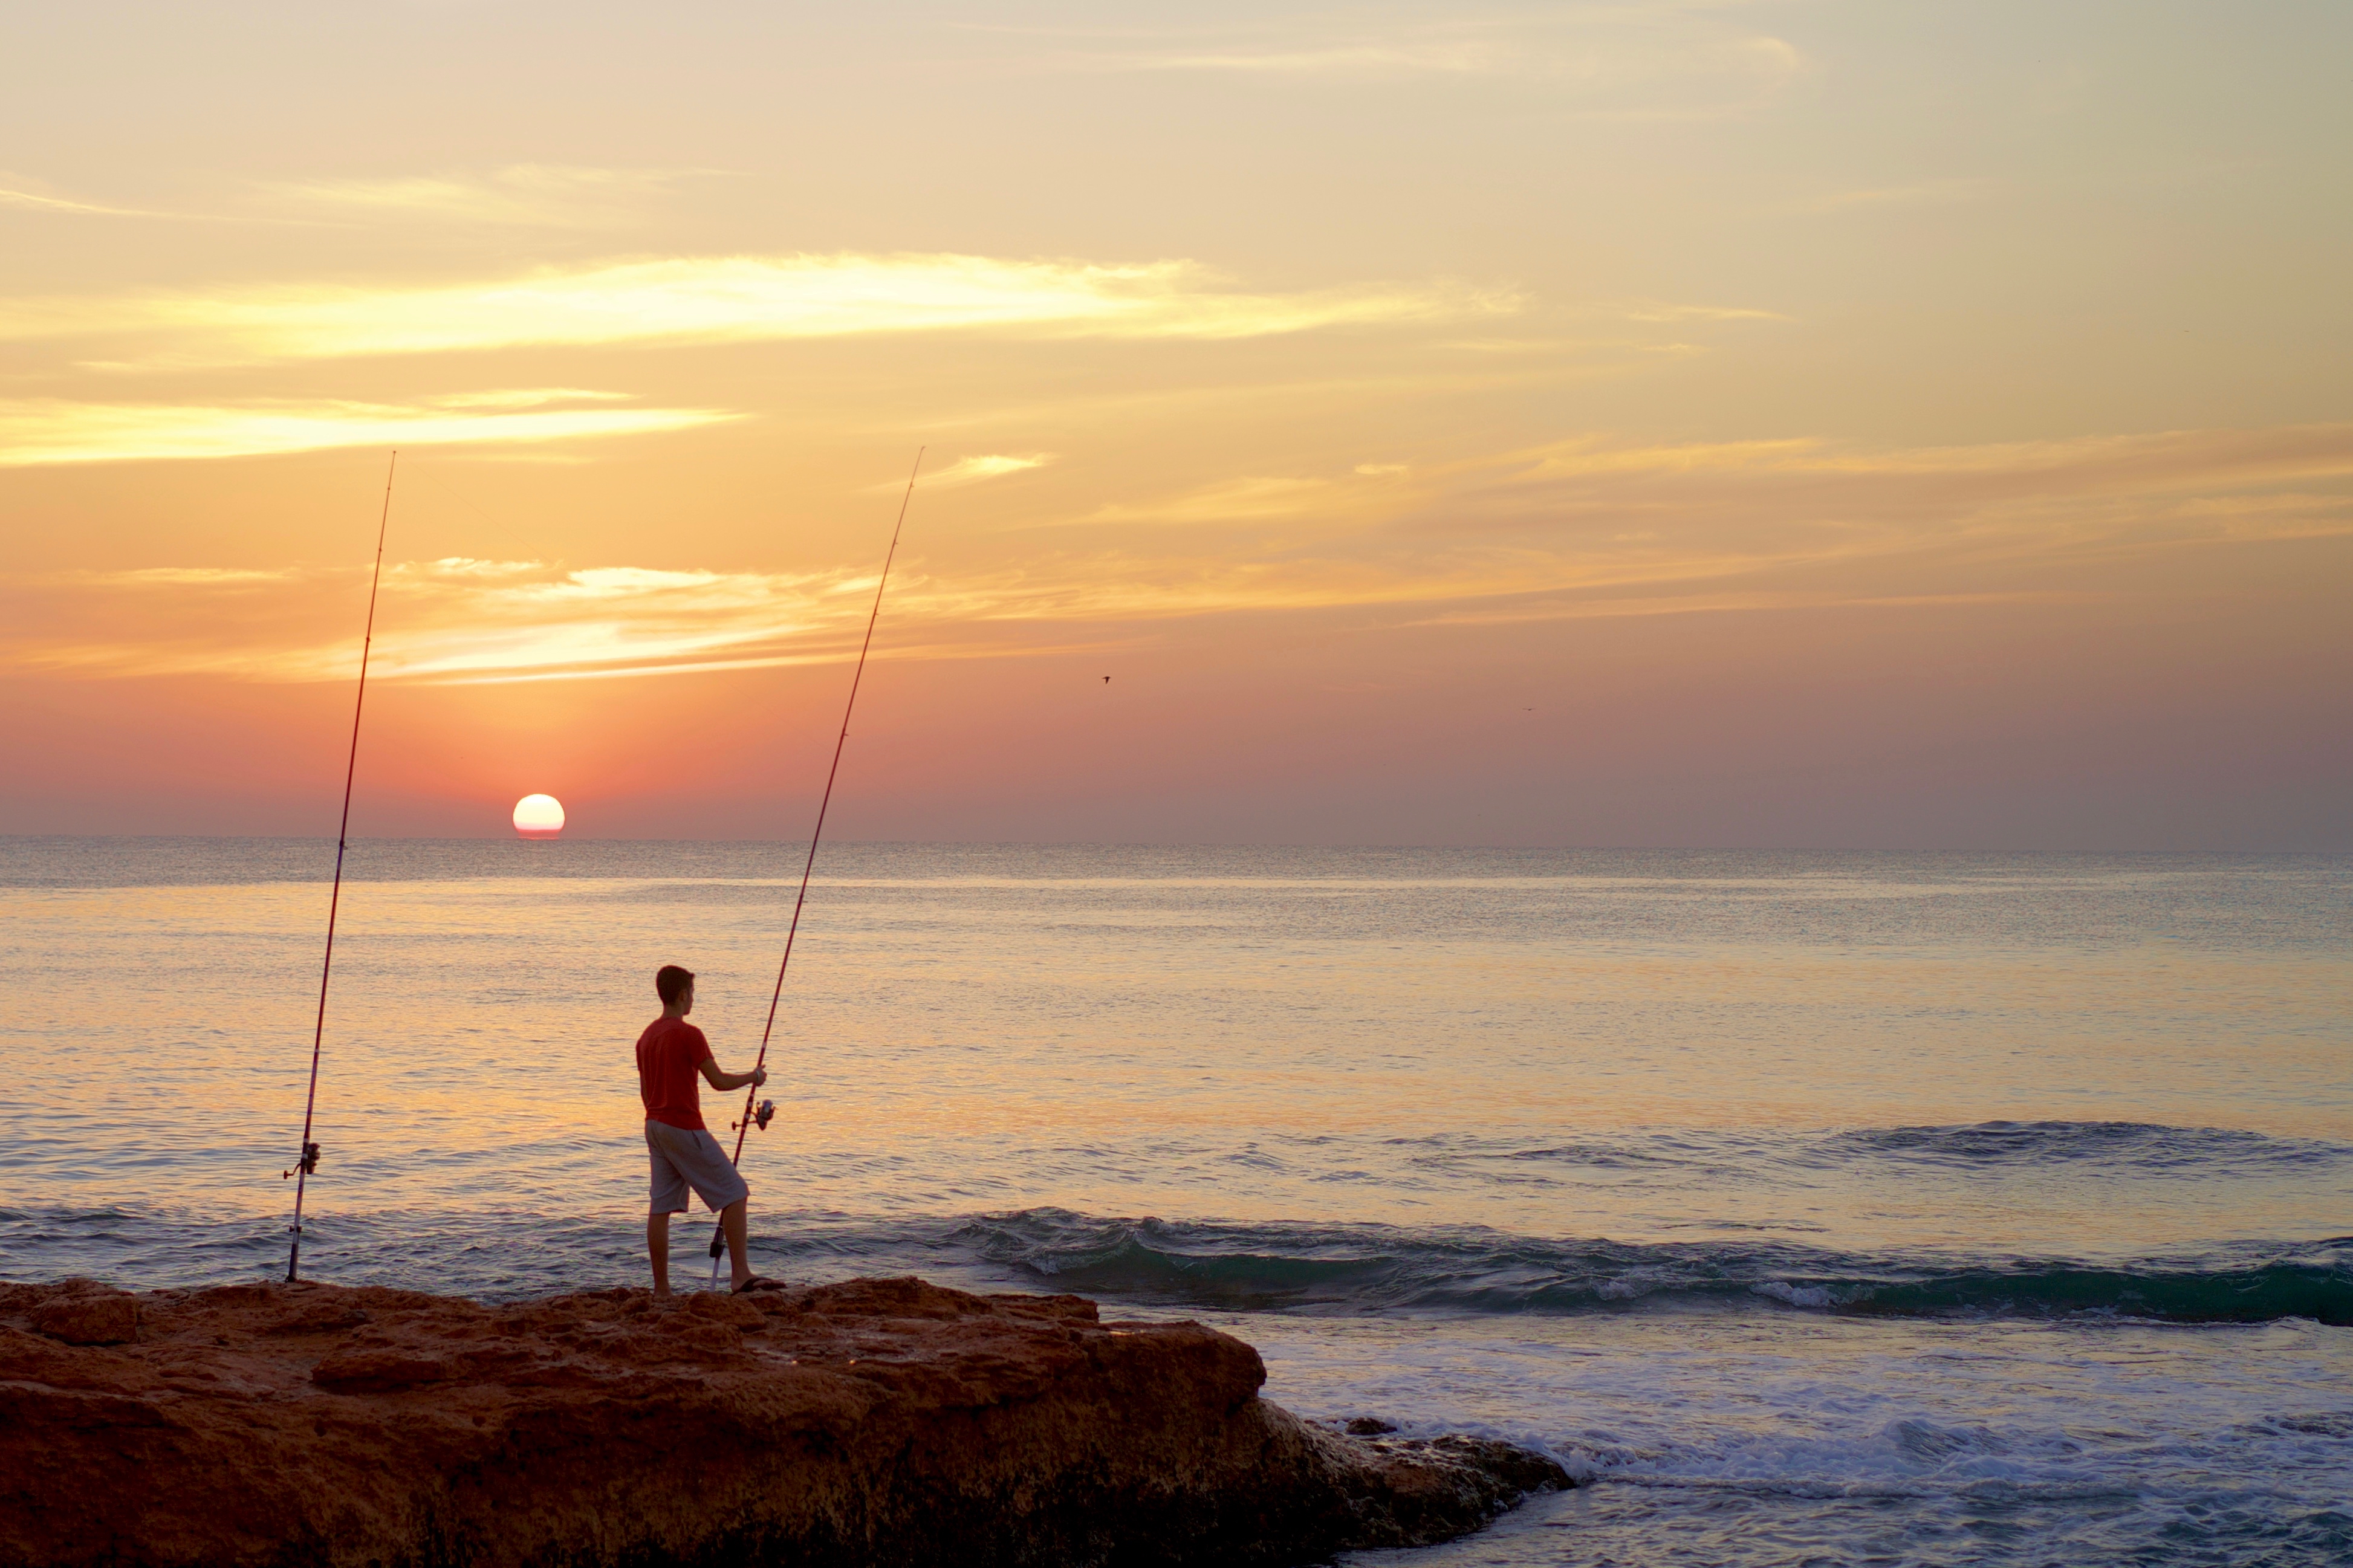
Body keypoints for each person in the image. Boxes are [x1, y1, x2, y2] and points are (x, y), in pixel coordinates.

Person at [636, 964, 779, 1295]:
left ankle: (661, 1290)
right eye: (693, 993)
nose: (693, 1000)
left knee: (660, 1207)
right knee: (734, 1192)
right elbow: (718, 1082)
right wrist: (753, 1077)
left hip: (653, 1126)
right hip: (682, 1125)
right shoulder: (689, 1034)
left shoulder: (646, 1037)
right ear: (684, 994)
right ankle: (740, 1275)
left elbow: (646, 1093)